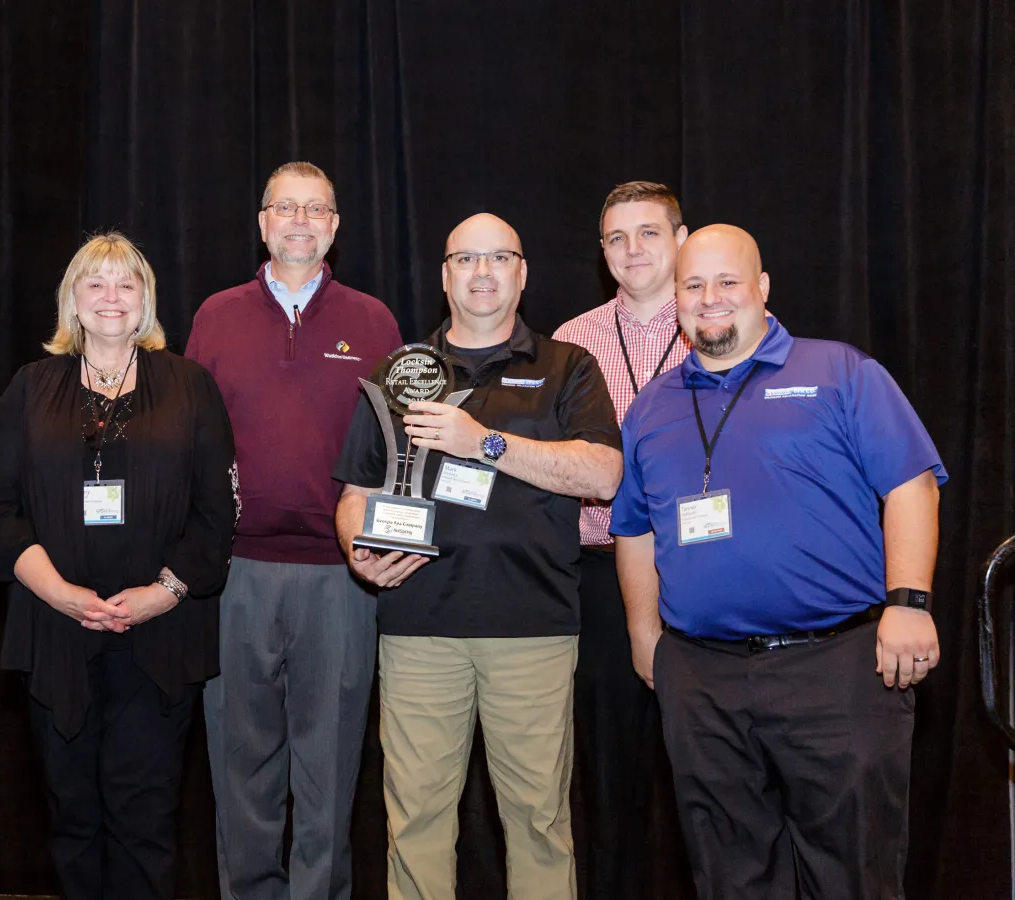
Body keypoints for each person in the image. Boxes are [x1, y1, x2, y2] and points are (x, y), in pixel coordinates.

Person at [611, 224, 943, 900]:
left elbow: (911, 483)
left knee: (853, 872)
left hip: (837, 669)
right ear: (675, 297)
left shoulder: (840, 372)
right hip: (701, 678)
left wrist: (908, 603)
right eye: (693, 285)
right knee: (728, 874)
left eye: (727, 281)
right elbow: (634, 529)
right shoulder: (650, 408)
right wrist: (648, 640)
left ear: (761, 288)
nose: (710, 298)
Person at [333, 213, 623, 900]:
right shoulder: (399, 371)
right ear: (444, 275)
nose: (483, 273)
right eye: (466, 259)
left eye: (499, 258)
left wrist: (484, 442)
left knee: (539, 822)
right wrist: (357, 548)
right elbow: (354, 490)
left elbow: (603, 476)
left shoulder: (567, 366)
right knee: (417, 822)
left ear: (523, 272)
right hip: (418, 627)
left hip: (534, 629)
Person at [0, 232, 237, 900]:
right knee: (71, 820)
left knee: (144, 820)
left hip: (159, 638)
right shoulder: (32, 387)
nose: (111, 296)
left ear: (146, 299)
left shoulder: (189, 386)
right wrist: (60, 592)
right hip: (55, 632)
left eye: (127, 283)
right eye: (95, 282)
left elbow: (218, 512)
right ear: (73, 299)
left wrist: (163, 592)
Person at [186, 160, 401, 900]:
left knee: (330, 766)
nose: (300, 222)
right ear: (263, 222)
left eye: (316, 209)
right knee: (238, 763)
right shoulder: (216, 315)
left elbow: (394, 454)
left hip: (341, 578)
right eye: (285, 208)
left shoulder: (375, 323)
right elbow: (191, 443)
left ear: (335, 226)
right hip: (234, 575)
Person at [550, 181, 689, 899]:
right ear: (601, 251)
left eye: (648, 233)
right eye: (616, 238)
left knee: (708, 773)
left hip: (702, 576)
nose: (632, 250)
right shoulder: (571, 342)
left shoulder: (721, 324)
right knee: (608, 773)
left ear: (680, 237)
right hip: (598, 579)